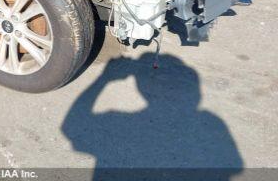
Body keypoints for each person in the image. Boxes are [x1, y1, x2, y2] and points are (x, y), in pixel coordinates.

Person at [62, 53, 242, 180]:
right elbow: (234, 166)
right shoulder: (212, 123)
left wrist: (104, 78)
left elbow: (70, 126)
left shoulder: (120, 123)